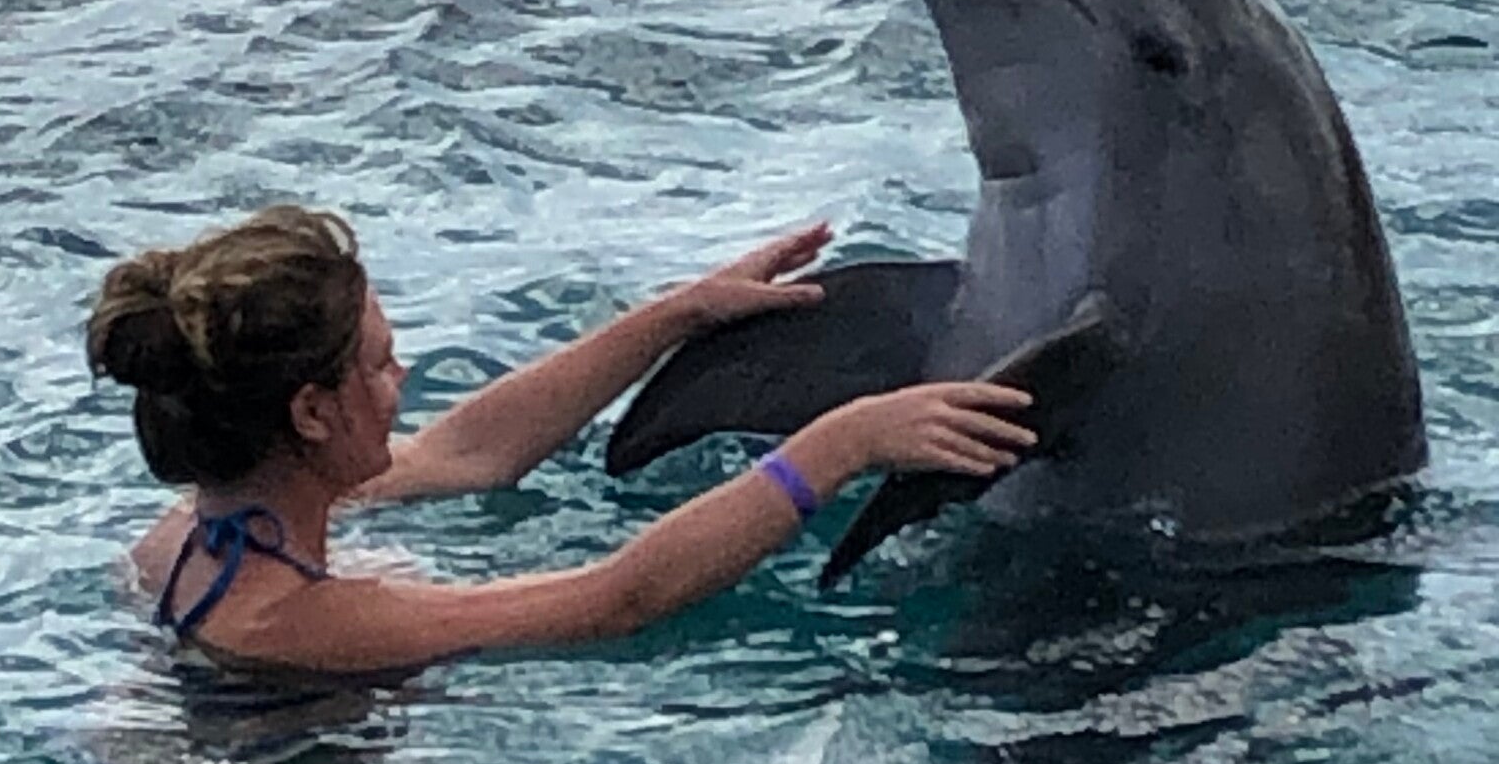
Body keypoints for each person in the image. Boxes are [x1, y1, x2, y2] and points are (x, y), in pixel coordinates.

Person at [88, 205, 1035, 676]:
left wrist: (680, 314)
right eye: (378, 365)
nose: (402, 379)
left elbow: (466, 455)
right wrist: (843, 444)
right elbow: (618, 598)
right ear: (309, 413)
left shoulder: (193, 531)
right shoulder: (305, 623)